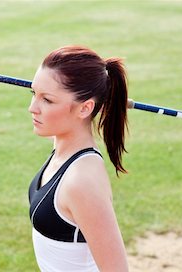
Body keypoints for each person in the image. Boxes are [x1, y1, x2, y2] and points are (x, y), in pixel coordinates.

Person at [28, 45, 129, 271]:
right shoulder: (64, 152)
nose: (32, 108)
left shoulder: (81, 182)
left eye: (48, 100)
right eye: (34, 93)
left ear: (85, 109)